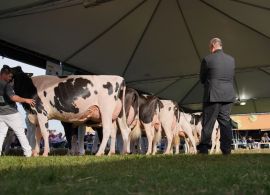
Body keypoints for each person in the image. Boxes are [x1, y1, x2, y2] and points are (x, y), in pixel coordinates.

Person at [198, 38, 235, 155]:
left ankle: (204, 149)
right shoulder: (231, 60)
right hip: (228, 95)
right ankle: (227, 149)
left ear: (213, 46)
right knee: (225, 122)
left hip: (213, 95)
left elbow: (202, 79)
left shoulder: (207, 59)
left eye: (210, 47)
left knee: (208, 122)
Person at [0, 65, 35, 157]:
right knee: (20, 133)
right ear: (4, 74)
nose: (10, 79)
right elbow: (13, 97)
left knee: (1, 134)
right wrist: (26, 100)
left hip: (1, 114)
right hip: (11, 113)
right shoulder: (6, 85)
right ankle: (28, 153)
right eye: (9, 76)